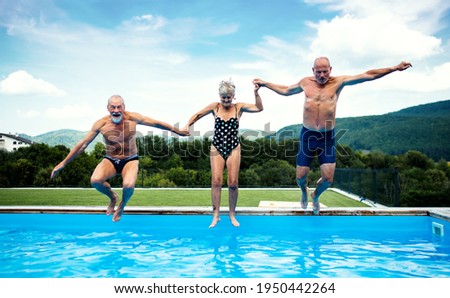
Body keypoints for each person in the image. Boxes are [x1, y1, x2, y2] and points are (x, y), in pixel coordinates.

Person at [253, 57, 412, 215]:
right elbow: (286, 90)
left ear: (330, 69)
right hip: (308, 136)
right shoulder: (306, 82)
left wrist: (395, 68)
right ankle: (304, 192)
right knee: (300, 178)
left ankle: (315, 196)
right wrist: (265, 83)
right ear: (313, 70)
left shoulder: (338, 82)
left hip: (327, 138)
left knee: (328, 180)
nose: (322, 75)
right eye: (318, 72)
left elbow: (368, 75)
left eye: (325, 71)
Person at [50, 95, 187, 222]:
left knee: (128, 185)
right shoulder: (101, 124)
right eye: (113, 107)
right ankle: (113, 197)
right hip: (110, 159)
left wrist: (177, 131)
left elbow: (156, 123)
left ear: (124, 107)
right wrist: (62, 164)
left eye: (119, 107)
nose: (116, 110)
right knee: (95, 180)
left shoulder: (133, 118)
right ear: (108, 108)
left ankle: (122, 204)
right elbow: (83, 145)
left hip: (130, 159)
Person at [182, 80, 263, 228]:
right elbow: (198, 114)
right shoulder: (215, 107)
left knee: (233, 182)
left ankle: (232, 214)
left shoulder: (239, 107)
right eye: (223, 97)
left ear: (233, 96)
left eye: (228, 97)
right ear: (220, 97)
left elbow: (259, 108)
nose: (226, 100)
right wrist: (188, 125)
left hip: (233, 147)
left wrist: (256, 93)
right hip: (217, 147)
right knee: (216, 181)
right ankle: (216, 215)